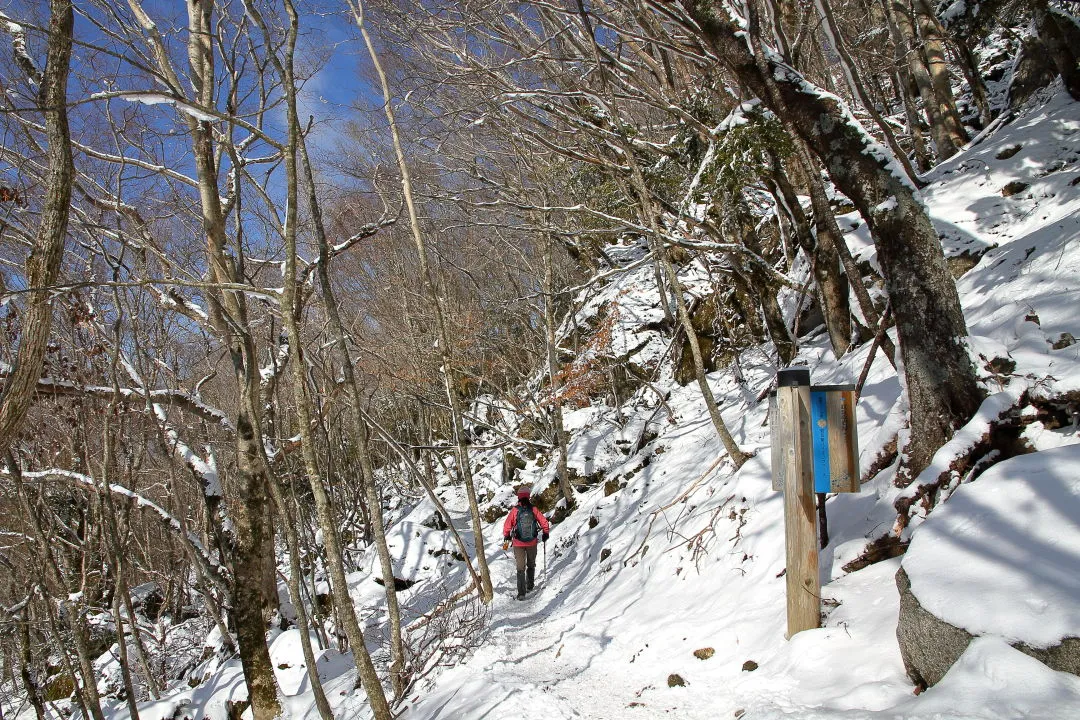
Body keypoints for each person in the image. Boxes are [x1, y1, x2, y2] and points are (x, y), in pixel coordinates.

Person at [502, 486, 550, 600]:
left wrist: (506, 535)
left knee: (520, 568)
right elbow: (544, 521)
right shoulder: (533, 509)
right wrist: (545, 533)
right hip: (532, 542)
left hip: (518, 543)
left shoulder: (515, 510)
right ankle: (530, 585)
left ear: (519, 497)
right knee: (531, 564)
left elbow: (507, 525)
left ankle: (521, 593)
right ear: (528, 496)